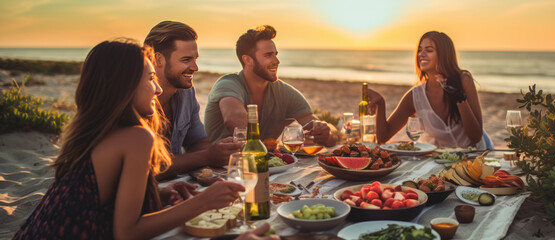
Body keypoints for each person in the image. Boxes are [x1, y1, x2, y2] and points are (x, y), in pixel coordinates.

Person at [13, 39, 278, 240]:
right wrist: (203, 202)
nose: (159, 88)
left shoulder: (93, 132)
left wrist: (158, 195)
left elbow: (94, 200)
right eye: (151, 78)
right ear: (124, 85)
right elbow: (126, 233)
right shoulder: (137, 137)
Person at [204, 25, 338, 146]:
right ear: (248, 60)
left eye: (275, 54)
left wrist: (325, 131)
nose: (276, 61)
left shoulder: (284, 92)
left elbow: (314, 123)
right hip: (215, 169)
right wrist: (264, 148)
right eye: (268, 55)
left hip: (263, 166)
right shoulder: (228, 84)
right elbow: (234, 119)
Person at [144, 21, 242, 177]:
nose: (195, 67)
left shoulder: (186, 93)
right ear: (158, 59)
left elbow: (198, 141)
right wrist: (206, 156)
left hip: (176, 187)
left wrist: (219, 152)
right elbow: (147, 165)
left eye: (195, 59)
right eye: (186, 60)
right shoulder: (134, 98)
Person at [367, 31, 491, 149]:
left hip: (473, 159)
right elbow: (383, 138)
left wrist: (459, 98)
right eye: (420, 50)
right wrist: (380, 104)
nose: (421, 54)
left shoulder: (464, 80)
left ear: (444, 55)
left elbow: (475, 137)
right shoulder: (415, 96)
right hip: (436, 161)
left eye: (429, 50)